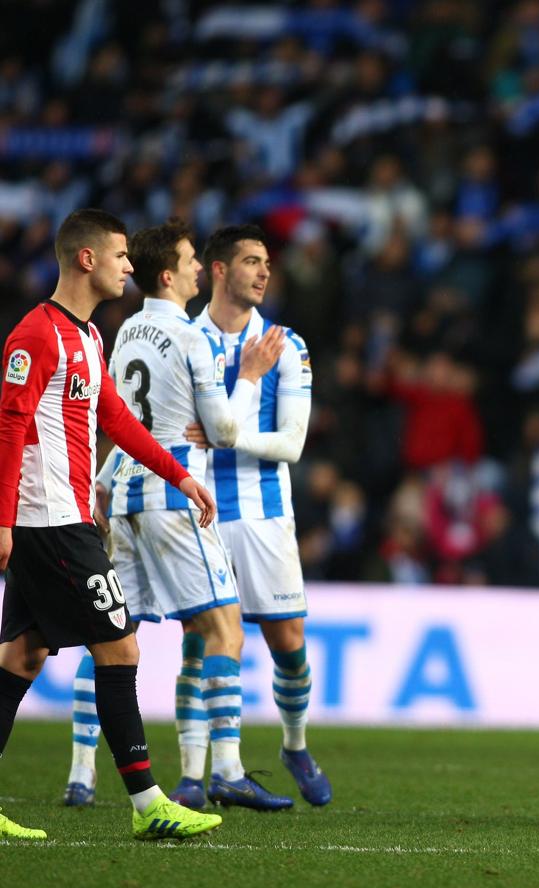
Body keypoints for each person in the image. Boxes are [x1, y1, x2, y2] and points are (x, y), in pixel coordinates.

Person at [0, 208, 223, 840]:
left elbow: (119, 421)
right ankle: (149, 804)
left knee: (22, 656)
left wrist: (178, 475)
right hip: (49, 522)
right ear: (87, 259)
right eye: (122, 255)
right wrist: (3, 521)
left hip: (63, 517)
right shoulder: (35, 336)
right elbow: (9, 427)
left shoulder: (92, 339)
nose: (132, 266)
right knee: (120, 645)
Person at [64, 218, 293, 811]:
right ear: (169, 274)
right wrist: (247, 379)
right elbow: (221, 432)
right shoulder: (192, 337)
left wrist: (99, 483)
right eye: (191, 261)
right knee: (223, 630)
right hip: (173, 494)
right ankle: (230, 769)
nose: (198, 268)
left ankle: (81, 773)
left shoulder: (125, 333)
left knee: (114, 636)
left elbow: (114, 423)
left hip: (125, 497)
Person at [186, 224, 331, 806]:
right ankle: (198, 773)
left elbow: (292, 444)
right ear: (218, 270)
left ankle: (293, 744)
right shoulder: (185, 338)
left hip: (266, 514)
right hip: (197, 510)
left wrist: (225, 436)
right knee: (202, 644)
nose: (265, 271)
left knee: (288, 644)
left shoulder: (285, 345)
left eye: (266, 262)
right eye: (251, 261)